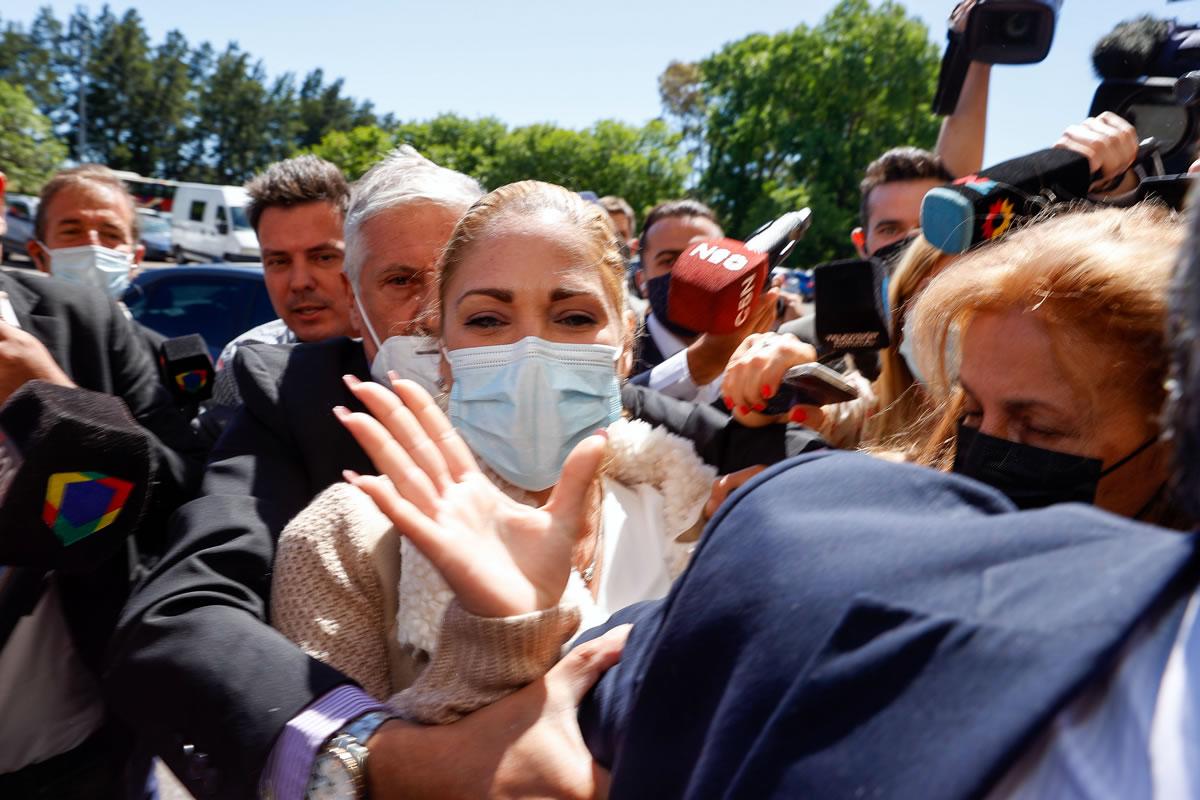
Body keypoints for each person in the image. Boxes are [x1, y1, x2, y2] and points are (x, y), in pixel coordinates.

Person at [339, 199, 1200, 799]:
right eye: (972, 411)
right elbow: (524, 751)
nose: (986, 450)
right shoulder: (823, 554)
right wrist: (506, 626)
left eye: (1040, 426)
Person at [104, 146, 804, 800]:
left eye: (569, 313)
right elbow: (187, 618)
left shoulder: (659, 467)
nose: (430, 315)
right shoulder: (293, 415)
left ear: (622, 336)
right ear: (355, 301)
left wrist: (787, 428)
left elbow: (749, 449)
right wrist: (384, 760)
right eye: (407, 283)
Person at [271, 180, 718, 713]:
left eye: (574, 317)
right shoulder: (344, 544)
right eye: (487, 320)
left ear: (624, 344)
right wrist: (499, 641)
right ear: (443, 351)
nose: (531, 351)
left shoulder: (699, 515)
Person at [0, 169, 206, 798]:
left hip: (69, 751)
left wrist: (54, 401)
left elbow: (178, 487)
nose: (92, 246)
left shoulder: (96, 330)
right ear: (38, 247)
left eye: (108, 233)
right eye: (73, 231)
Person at [206, 155, 353, 427]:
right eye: (279, 261)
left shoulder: (402, 356)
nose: (299, 282)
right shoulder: (241, 361)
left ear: (358, 256)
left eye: (323, 257)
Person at [629, 198, 780, 404]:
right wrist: (700, 363)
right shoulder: (621, 354)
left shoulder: (762, 353)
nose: (688, 271)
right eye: (669, 260)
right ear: (642, 282)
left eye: (703, 255)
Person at [26, 165, 144, 301]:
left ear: (136, 258)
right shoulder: (14, 321)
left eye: (111, 235)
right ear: (39, 255)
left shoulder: (148, 321)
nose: (93, 245)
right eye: (72, 232)